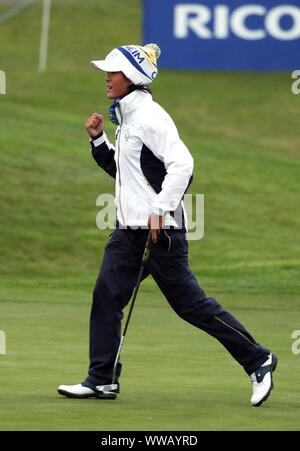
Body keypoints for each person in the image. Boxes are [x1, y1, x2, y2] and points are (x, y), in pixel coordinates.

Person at [58, 43, 277, 406]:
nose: (107, 78)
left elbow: (183, 165)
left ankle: (259, 359)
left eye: (113, 72)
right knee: (106, 295)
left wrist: (160, 209)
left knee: (190, 305)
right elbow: (126, 175)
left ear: (133, 78)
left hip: (160, 234)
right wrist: (99, 142)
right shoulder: (128, 117)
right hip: (128, 231)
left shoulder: (151, 117)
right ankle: (101, 380)